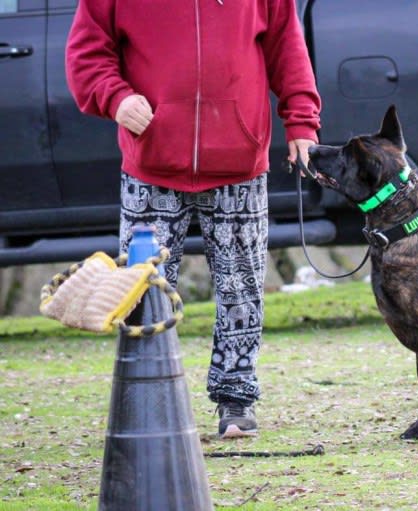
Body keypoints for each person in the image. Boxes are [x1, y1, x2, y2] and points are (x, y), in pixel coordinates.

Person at [65, 0, 321, 438]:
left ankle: (236, 400)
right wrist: (117, 97)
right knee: (141, 289)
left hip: (240, 165)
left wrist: (301, 122)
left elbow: (287, 48)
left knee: (241, 287)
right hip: (151, 166)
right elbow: (87, 56)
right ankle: (146, 401)